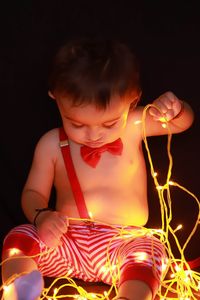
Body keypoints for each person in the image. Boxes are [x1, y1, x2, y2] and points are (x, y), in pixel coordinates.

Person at [1, 37, 194, 300]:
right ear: (55, 97)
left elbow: (181, 124)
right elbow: (33, 192)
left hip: (124, 245)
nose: (93, 135)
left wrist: (175, 110)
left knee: (152, 251)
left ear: (132, 100)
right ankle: (20, 288)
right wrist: (42, 217)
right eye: (77, 124)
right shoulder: (50, 145)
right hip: (67, 242)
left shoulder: (133, 126)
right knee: (19, 236)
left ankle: (131, 295)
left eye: (108, 123)